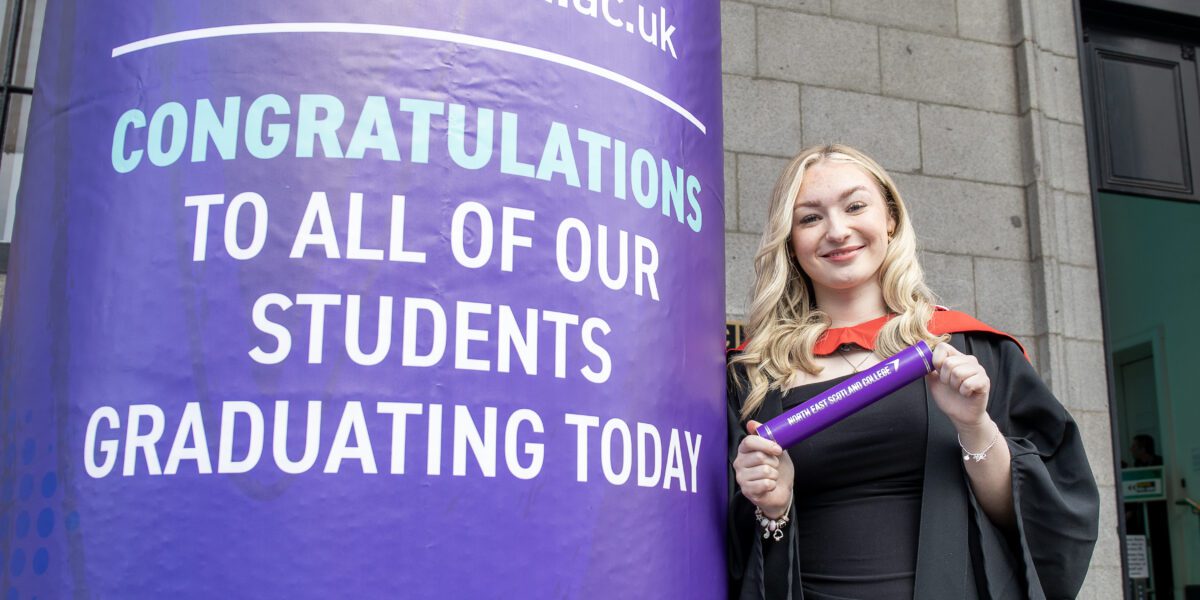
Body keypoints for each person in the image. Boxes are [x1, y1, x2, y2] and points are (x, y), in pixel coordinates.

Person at [726, 144, 1099, 600]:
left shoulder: (965, 350)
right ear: (790, 241)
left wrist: (974, 425)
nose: (837, 231)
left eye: (855, 206)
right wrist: (772, 508)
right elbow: (714, 542)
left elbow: (1032, 523)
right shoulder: (753, 378)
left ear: (890, 218)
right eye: (810, 218)